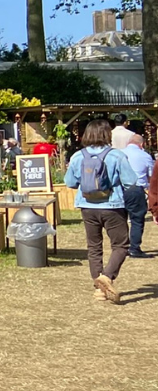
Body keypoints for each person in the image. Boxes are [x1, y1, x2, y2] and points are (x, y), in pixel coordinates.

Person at [63, 118, 138, 303]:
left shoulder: (78, 156)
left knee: (94, 247)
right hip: (112, 206)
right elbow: (131, 181)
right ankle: (106, 277)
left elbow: (70, 182)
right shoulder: (116, 155)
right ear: (107, 134)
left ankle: (99, 290)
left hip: (87, 206)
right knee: (121, 245)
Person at [113, 125, 153, 258]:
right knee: (137, 219)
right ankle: (134, 248)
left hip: (119, 189)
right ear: (141, 144)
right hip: (136, 189)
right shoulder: (145, 156)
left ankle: (120, 247)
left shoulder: (118, 154)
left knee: (120, 219)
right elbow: (151, 176)